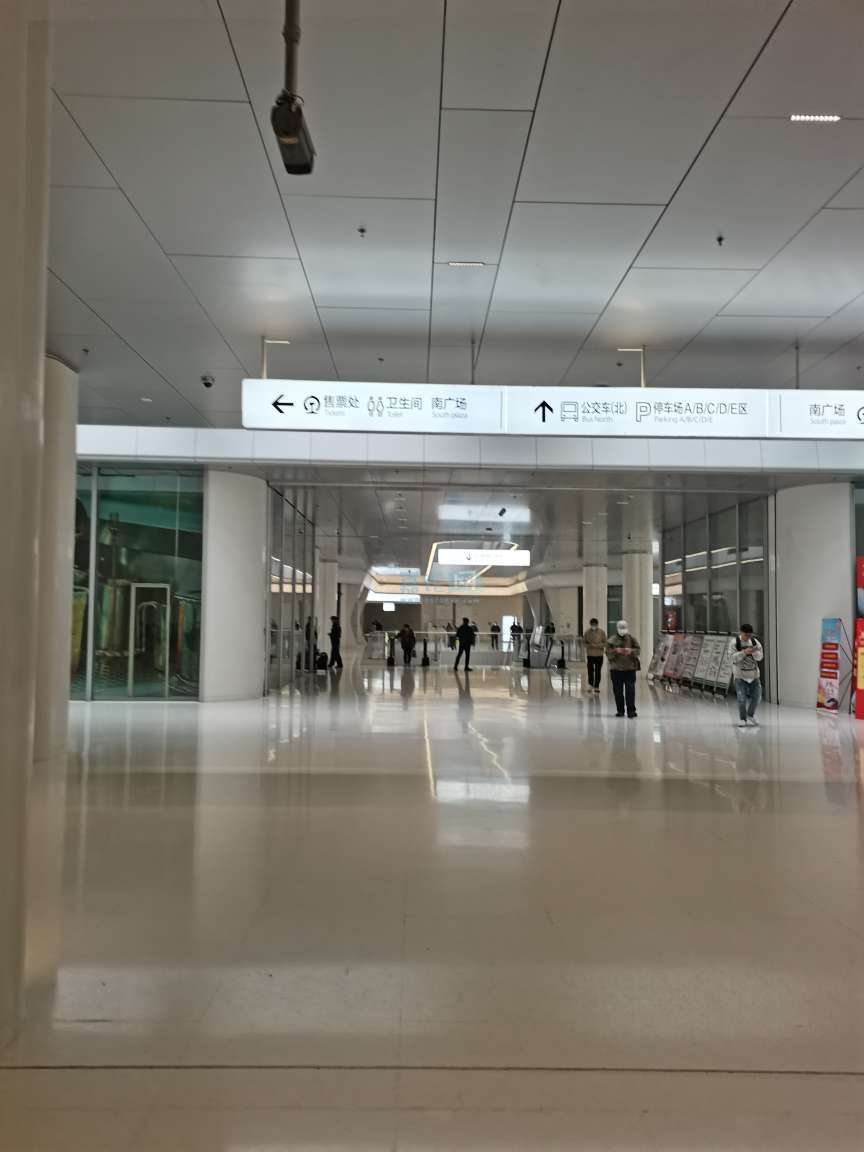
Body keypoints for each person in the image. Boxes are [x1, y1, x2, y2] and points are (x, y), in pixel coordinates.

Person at [606, 620, 640, 718]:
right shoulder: (611, 640)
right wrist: (615, 651)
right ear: (617, 628)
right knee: (618, 691)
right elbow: (608, 654)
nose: (623, 630)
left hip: (629, 669)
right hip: (616, 669)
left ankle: (631, 711)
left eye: (624, 628)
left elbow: (638, 650)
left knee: (630, 690)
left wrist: (631, 651)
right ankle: (620, 710)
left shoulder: (632, 639)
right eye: (621, 628)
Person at [732, 623, 763, 728]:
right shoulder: (734, 643)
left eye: (750, 635)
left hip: (754, 676)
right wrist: (744, 652)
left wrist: (754, 652)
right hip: (740, 676)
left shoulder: (755, 642)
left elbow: (760, 657)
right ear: (741, 632)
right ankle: (742, 718)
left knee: (757, 697)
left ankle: (750, 714)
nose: (748, 637)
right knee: (741, 699)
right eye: (746, 635)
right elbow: (732, 658)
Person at [583, 617, 607, 693]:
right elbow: (584, 643)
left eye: (595, 624)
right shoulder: (587, 633)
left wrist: (599, 645)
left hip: (599, 655)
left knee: (598, 671)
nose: (594, 625)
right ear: (590, 624)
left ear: (597, 624)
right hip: (590, 655)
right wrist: (590, 645)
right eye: (592, 624)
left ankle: (596, 686)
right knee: (590, 670)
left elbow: (605, 643)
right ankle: (590, 685)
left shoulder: (602, 632)